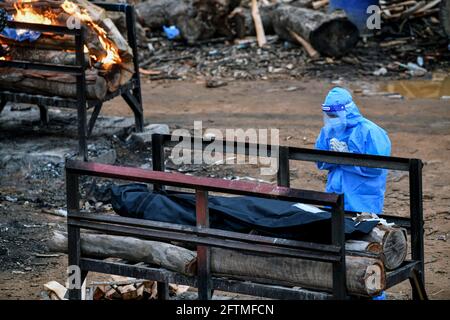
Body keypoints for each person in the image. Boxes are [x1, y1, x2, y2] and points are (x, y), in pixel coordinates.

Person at [315, 87, 391, 214]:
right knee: (333, 228)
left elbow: (377, 168)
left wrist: (348, 159)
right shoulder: (328, 131)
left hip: (362, 199)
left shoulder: (371, 132)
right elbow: (318, 161)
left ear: (348, 111)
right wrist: (332, 157)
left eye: (335, 115)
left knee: (361, 229)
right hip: (334, 194)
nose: (332, 119)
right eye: (329, 115)